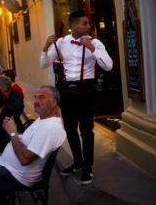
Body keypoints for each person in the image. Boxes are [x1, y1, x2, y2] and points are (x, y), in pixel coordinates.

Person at [40, 11, 113, 185]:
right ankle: (78, 163)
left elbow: (108, 66)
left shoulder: (95, 42)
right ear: (73, 26)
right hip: (67, 93)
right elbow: (44, 64)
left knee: (87, 131)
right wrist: (44, 48)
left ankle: (88, 167)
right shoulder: (61, 43)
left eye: (89, 23)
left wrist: (92, 49)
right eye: (85, 23)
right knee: (71, 130)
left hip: (86, 91)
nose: (89, 26)